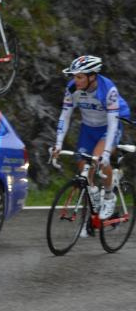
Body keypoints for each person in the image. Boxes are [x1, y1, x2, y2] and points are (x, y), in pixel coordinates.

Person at [51, 55, 131, 219]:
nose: (76, 80)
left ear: (92, 76)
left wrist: (107, 153)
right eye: (74, 76)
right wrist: (58, 144)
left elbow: (113, 124)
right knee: (83, 166)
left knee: (98, 159)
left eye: (80, 77)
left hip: (110, 125)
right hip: (88, 127)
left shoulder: (108, 90)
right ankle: (94, 195)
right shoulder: (72, 88)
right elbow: (64, 116)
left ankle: (109, 197)